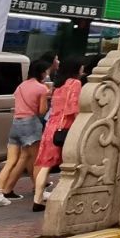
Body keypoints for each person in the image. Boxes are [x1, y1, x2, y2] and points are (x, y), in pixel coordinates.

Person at [0, 55, 53, 207]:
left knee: (12, 160)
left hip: (16, 123)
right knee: (37, 158)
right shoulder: (41, 89)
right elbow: (41, 110)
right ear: (41, 72)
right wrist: (47, 97)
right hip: (30, 124)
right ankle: (40, 190)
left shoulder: (21, 86)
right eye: (46, 72)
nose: (47, 74)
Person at [35, 59, 85, 210]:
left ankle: (37, 199)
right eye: (81, 68)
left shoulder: (58, 85)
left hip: (52, 125)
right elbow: (73, 107)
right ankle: (62, 195)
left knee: (46, 165)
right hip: (65, 127)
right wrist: (80, 124)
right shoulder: (74, 83)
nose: (83, 70)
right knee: (70, 161)